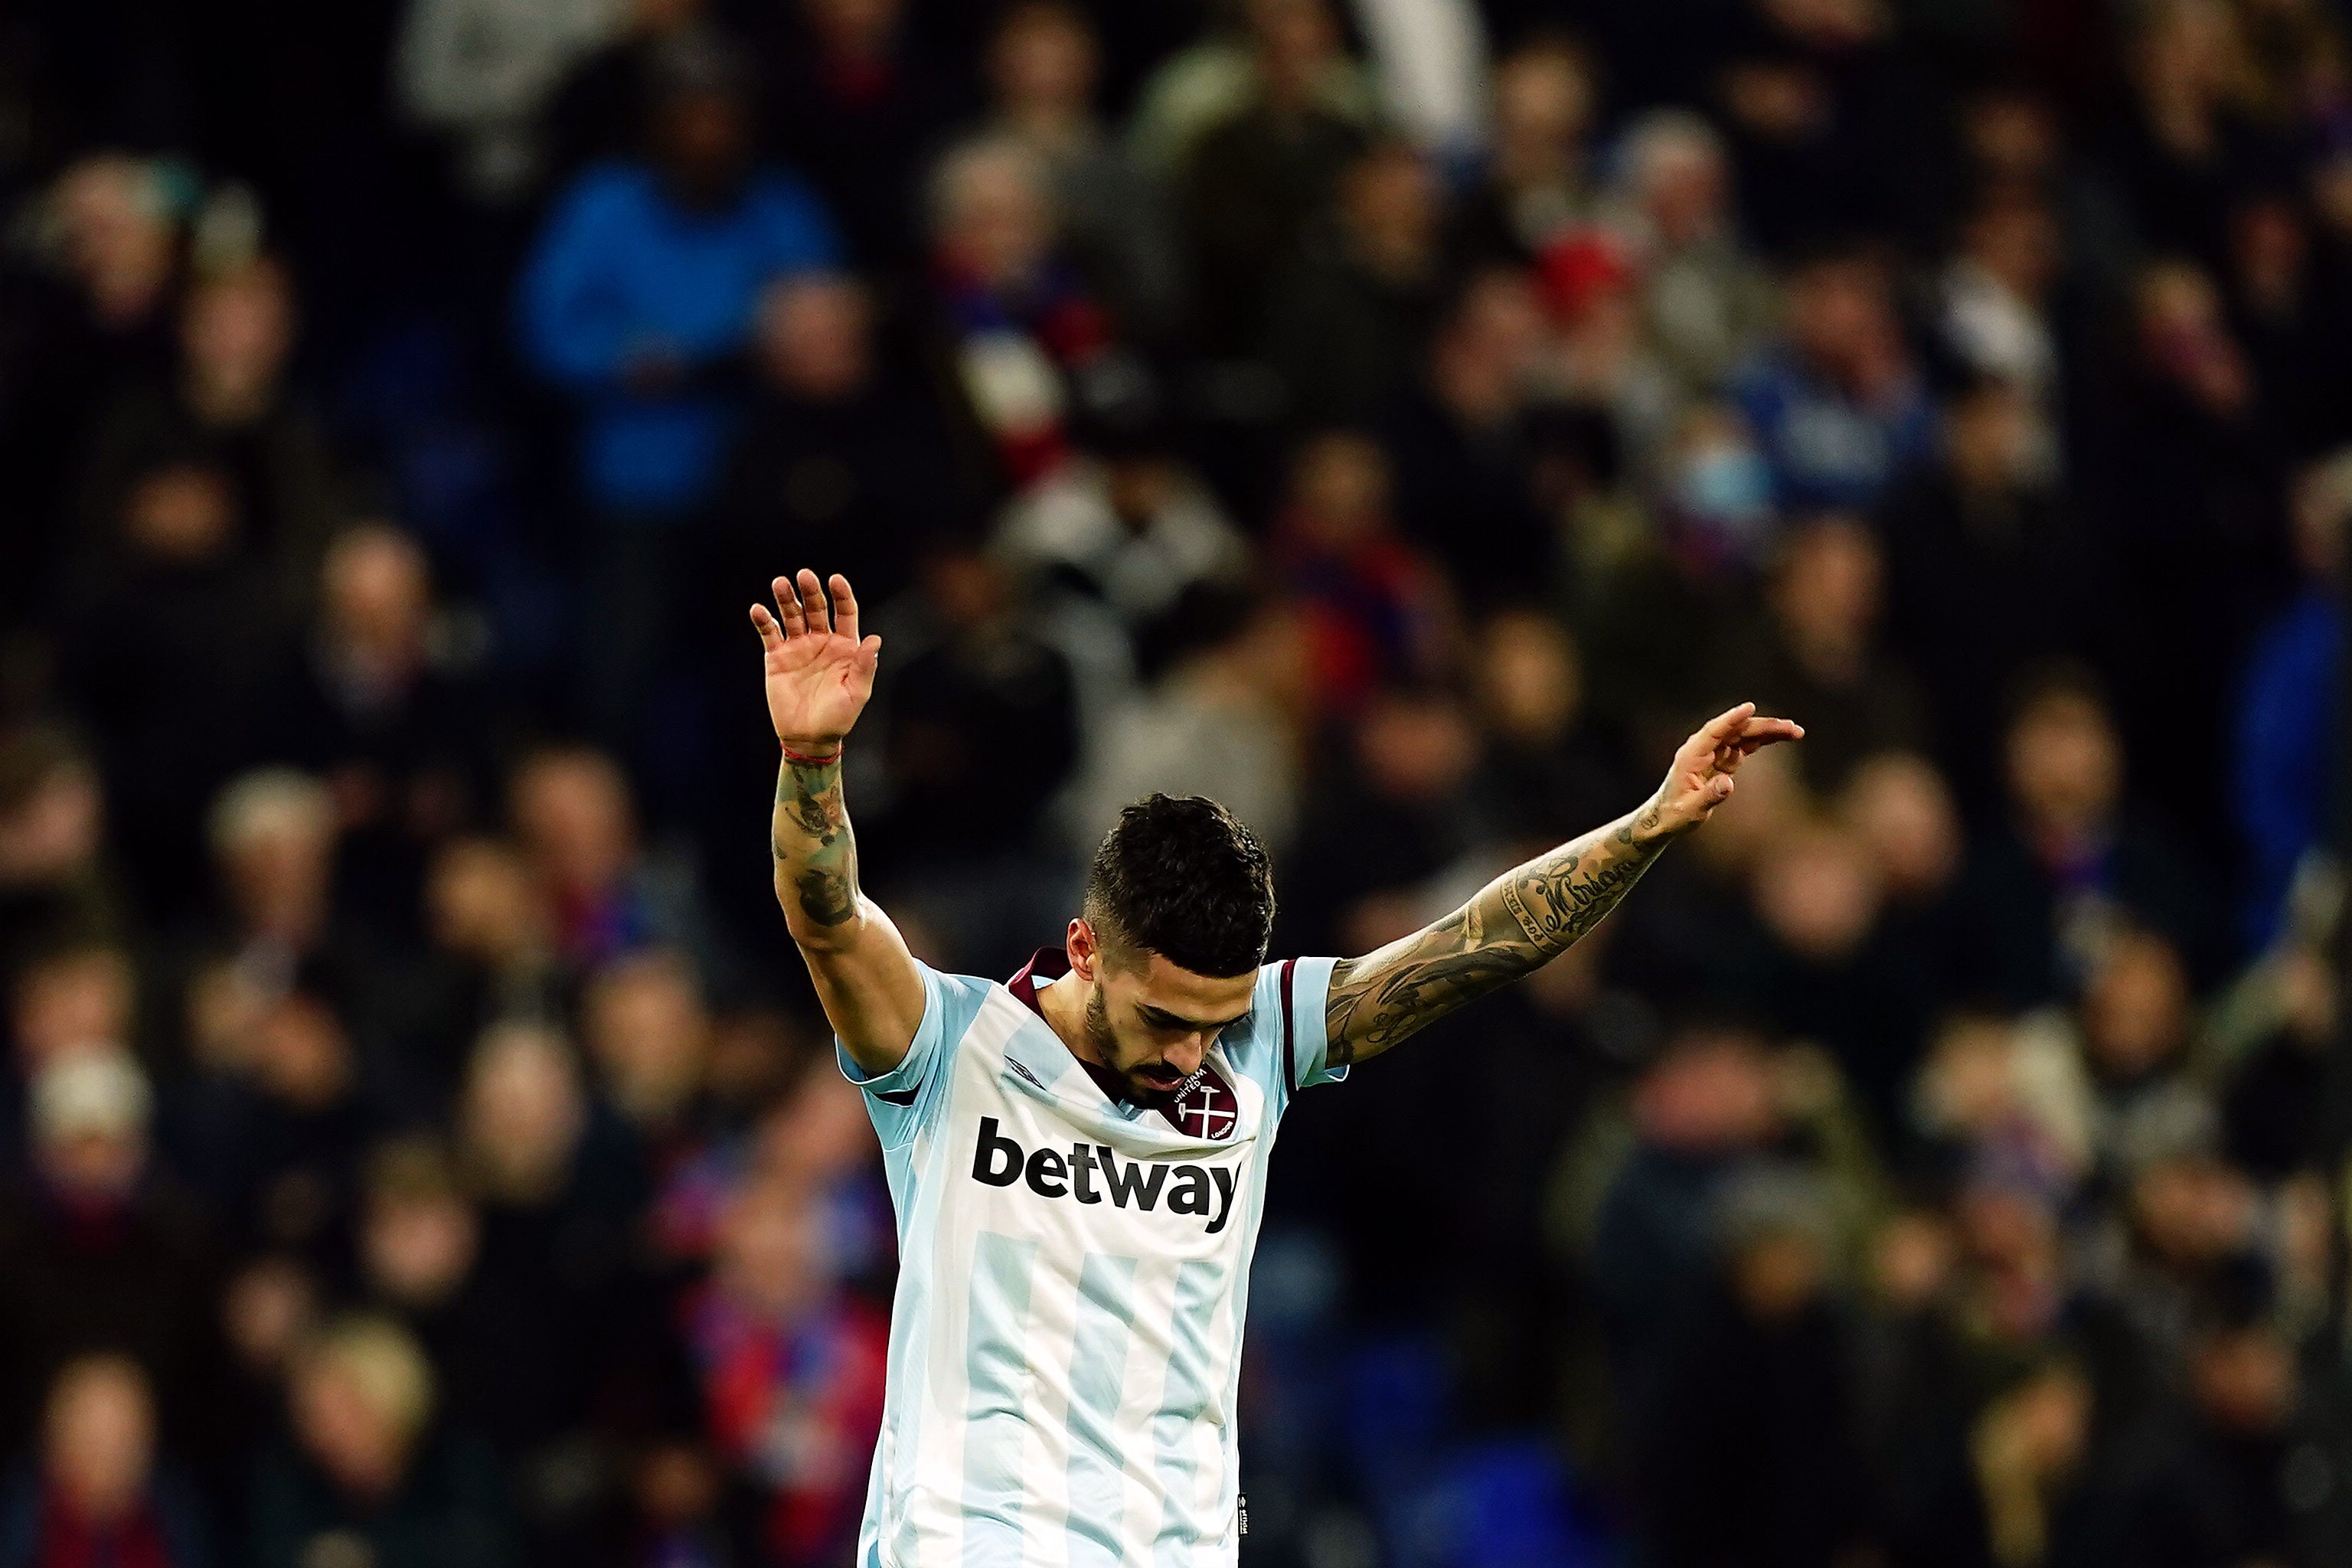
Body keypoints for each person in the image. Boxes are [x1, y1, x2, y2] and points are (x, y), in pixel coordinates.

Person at [744, 567, 1800, 1567]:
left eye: (1216, 1019)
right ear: (1083, 949)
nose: (1190, 1054)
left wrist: (1647, 825)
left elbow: (1481, 942)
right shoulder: (948, 1048)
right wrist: (813, 766)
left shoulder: (1266, 1037)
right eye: (1164, 1017)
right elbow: (829, 918)